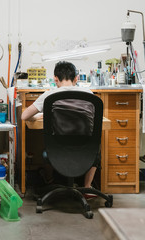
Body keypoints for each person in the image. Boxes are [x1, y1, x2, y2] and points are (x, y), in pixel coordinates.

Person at [21, 61, 98, 196]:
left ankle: (49, 180)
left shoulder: (49, 95)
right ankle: (87, 187)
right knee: (97, 147)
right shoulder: (88, 93)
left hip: (56, 152)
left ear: (55, 79)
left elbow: (25, 116)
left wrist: (41, 116)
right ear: (76, 78)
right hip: (86, 152)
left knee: (45, 147)